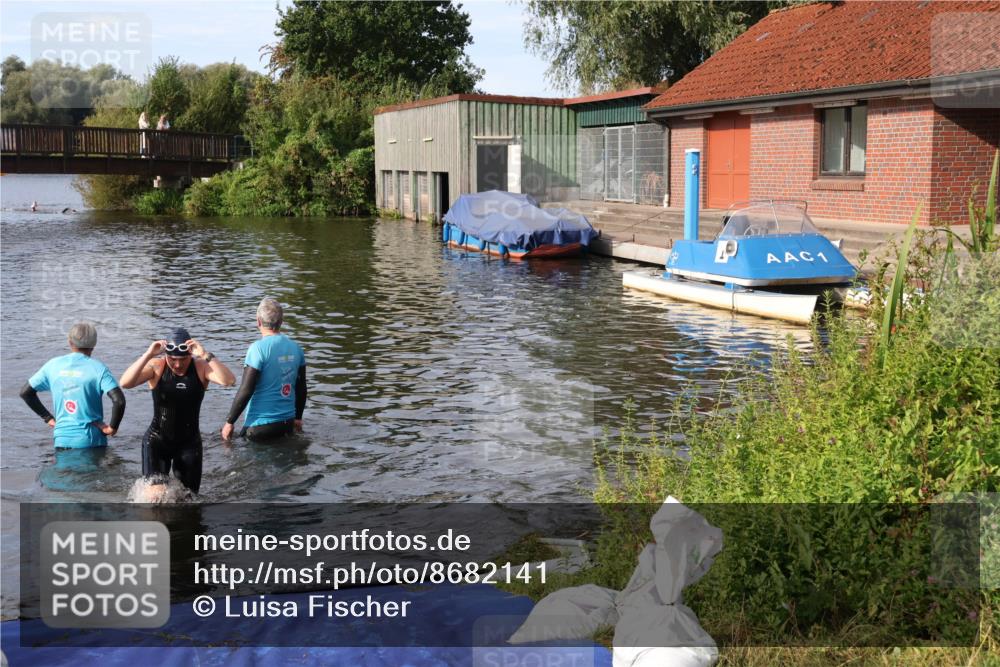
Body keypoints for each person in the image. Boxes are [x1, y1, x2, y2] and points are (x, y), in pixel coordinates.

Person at [119, 328, 235, 494]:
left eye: (183, 359)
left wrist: (205, 354)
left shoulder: (201, 367)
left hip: (189, 443)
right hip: (157, 440)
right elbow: (125, 383)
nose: (178, 364)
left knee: (188, 500)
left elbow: (229, 381)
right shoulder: (157, 366)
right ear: (166, 356)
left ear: (191, 355)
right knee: (155, 496)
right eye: (172, 359)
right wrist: (148, 354)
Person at [20, 322, 125, 448]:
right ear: (94, 345)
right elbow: (119, 401)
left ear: (70, 342)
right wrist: (112, 428)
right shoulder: (99, 369)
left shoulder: (52, 365)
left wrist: (48, 418)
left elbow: (25, 393)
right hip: (90, 442)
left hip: (61, 439)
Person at [222, 298, 306, 441]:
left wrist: (229, 422)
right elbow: (301, 387)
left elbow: (246, 389)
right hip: (287, 424)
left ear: (258, 321)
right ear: (281, 321)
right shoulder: (296, 349)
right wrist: (298, 418)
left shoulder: (257, 349)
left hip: (260, 427)